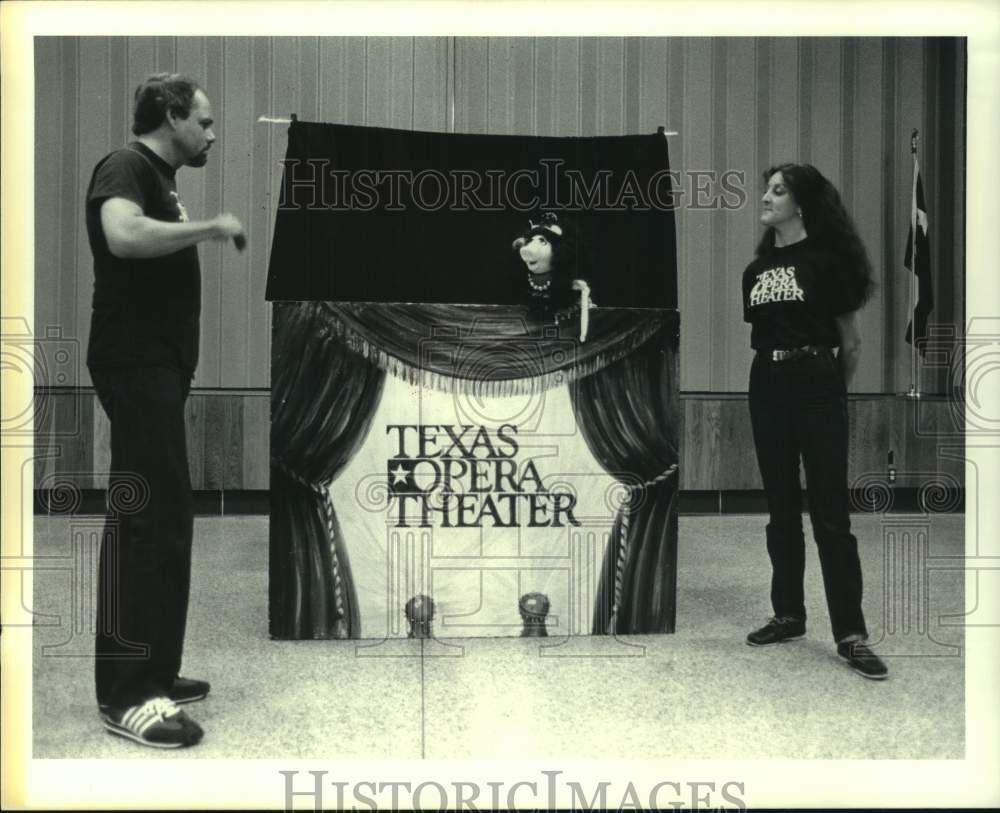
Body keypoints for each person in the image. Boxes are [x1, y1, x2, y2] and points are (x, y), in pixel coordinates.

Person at [85, 73, 245, 747]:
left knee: (167, 515)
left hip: (158, 367)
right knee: (146, 518)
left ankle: (155, 669)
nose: (210, 133)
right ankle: (127, 695)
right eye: (202, 122)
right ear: (172, 115)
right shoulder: (125, 165)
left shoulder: (162, 179)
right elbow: (121, 236)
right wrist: (209, 228)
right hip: (135, 362)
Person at [741, 163, 888, 680]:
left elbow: (851, 343)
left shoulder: (828, 262)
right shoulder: (755, 272)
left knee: (830, 516)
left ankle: (851, 633)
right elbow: (764, 334)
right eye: (767, 188)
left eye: (777, 190)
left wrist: (830, 394)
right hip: (768, 385)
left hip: (818, 382)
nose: (765, 196)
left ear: (800, 205)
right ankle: (789, 614)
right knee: (781, 509)